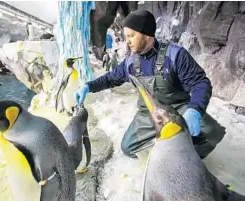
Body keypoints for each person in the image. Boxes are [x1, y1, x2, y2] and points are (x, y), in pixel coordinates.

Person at [74, 9, 225, 160]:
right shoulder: (130, 63)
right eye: (126, 36)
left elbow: (200, 83)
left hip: (178, 109)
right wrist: (88, 86)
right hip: (149, 113)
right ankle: (162, 155)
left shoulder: (175, 55)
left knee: (211, 132)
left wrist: (194, 110)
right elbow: (110, 79)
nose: (127, 41)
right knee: (128, 147)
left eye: (131, 36)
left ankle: (185, 157)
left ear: (146, 34)